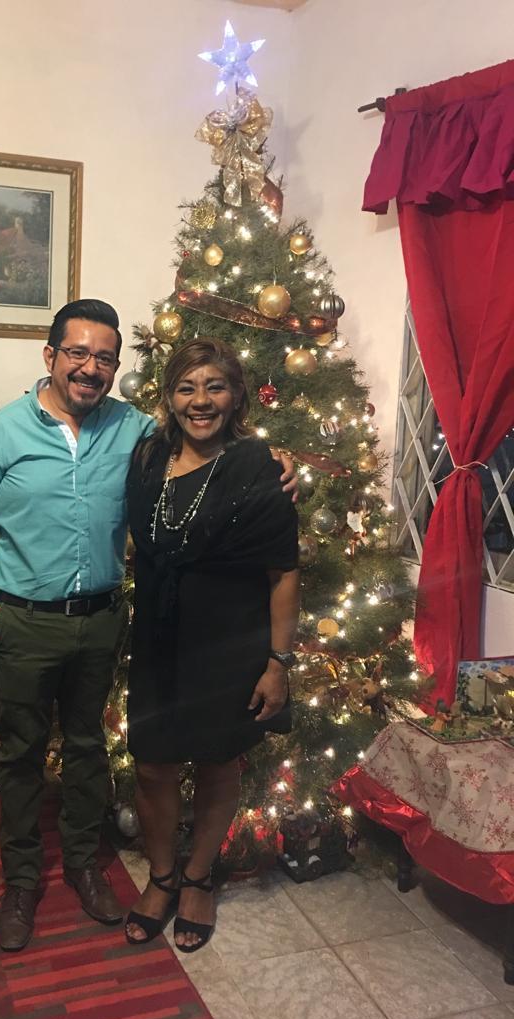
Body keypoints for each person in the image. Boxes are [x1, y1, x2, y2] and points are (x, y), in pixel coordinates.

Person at [0, 299, 298, 954]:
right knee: (20, 756)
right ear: (51, 356)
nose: (90, 368)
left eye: (104, 357)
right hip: (24, 620)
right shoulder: (0, 432)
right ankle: (21, 882)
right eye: (77, 353)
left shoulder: (134, 432)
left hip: (104, 619)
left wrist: (275, 460)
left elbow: (209, 440)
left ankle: (83, 865)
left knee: (87, 751)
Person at [124, 337, 300, 954]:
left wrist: (278, 663)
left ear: (236, 395)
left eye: (215, 387)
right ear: (169, 398)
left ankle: (198, 878)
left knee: (218, 764)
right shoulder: (147, 456)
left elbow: (283, 572)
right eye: (187, 388)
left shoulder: (258, 467)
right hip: (157, 642)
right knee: (152, 765)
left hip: (230, 646)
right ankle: (162, 877)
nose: (201, 401)